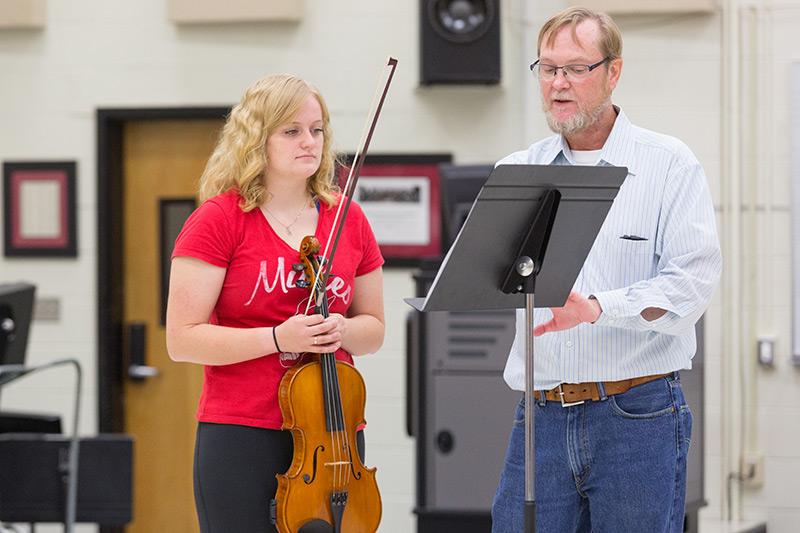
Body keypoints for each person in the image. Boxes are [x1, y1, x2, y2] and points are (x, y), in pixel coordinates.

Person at [490, 7, 722, 533]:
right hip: (541, 416)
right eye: (548, 69)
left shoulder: (669, 164)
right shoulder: (516, 171)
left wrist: (597, 310)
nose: (558, 84)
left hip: (635, 416)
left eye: (575, 69)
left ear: (613, 73)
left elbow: (691, 285)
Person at [165, 74, 385, 533]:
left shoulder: (348, 216)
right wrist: (277, 337)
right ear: (256, 139)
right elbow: (182, 340)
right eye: (292, 131)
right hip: (243, 432)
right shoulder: (219, 220)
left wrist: (341, 330)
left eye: (317, 129)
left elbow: (374, 328)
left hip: (335, 431)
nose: (310, 141)